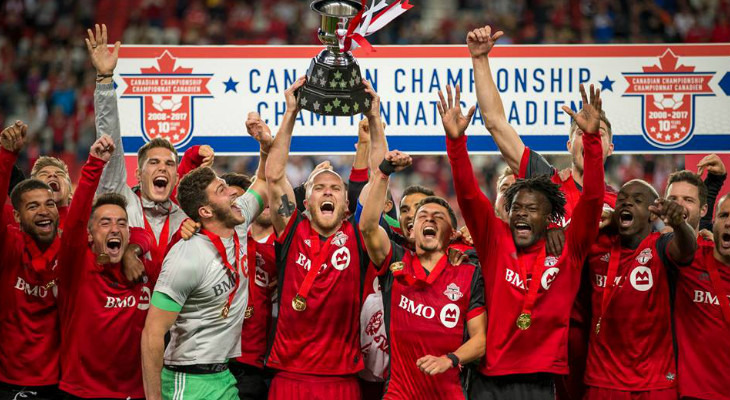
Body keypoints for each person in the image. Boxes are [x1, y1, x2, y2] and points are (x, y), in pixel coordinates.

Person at [467, 25, 619, 399]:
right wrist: (480, 59)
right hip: (547, 334)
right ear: (569, 142)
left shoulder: (625, 204)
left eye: (598, 135)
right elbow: (497, 126)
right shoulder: (546, 188)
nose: (589, 139)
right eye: (583, 133)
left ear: (610, 147)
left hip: (608, 335)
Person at [442, 82, 606, 399]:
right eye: (516, 207)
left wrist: (592, 140)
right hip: (487, 380)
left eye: (532, 209)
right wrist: (456, 143)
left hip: (540, 382)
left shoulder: (569, 248)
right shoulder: (495, 241)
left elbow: (593, 199)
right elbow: (468, 196)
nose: (520, 214)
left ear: (550, 218)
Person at [263, 77, 380, 399]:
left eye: (335, 188)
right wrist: (291, 112)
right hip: (288, 376)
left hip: (342, 380)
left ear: (346, 205)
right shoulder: (291, 230)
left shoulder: (359, 236)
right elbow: (273, 176)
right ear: (305, 202)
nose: (327, 191)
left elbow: (379, 177)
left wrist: (374, 117)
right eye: (319, 187)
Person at [141, 128, 269, 400]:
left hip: (223, 376)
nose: (233, 195)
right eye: (222, 190)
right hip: (188, 381)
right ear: (207, 211)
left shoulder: (240, 219)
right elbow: (153, 334)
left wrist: (270, 139)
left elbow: (267, 178)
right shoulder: (186, 255)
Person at [360, 148, 486, 399]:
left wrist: (450, 359)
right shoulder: (396, 260)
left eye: (438, 217)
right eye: (422, 217)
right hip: (399, 393)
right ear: (412, 231)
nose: (429, 219)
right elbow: (367, 226)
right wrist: (383, 172)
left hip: (449, 393)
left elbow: (481, 340)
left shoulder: (469, 273)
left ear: (452, 233)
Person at [87, 24, 211, 270]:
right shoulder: (122, 201)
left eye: (169, 164)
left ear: (177, 177)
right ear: (137, 174)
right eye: (153, 162)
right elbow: (110, 144)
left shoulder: (187, 218)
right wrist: (104, 81)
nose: (162, 168)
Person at [56, 135, 157, 399]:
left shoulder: (144, 269)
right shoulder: (77, 264)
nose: (115, 228)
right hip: (82, 393)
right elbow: (76, 219)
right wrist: (94, 165)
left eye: (121, 223)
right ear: (89, 235)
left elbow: (142, 234)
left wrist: (134, 249)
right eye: (105, 223)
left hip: (134, 394)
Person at [583, 179, 697, 399]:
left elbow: (688, 249)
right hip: (602, 381)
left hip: (654, 382)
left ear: (652, 214)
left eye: (637, 201)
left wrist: (680, 225)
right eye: (622, 200)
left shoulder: (662, 246)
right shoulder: (597, 245)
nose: (627, 204)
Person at [0, 121, 62, 400]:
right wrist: (6, 157)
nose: (43, 210)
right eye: (32, 205)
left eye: (49, 204)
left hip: (59, 380)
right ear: (16, 215)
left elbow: (119, 224)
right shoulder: (9, 242)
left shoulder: (74, 243)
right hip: (7, 379)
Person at [663, 161, 729, 400]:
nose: (678, 206)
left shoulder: (710, 246)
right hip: (676, 387)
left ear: (703, 209)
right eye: (673, 199)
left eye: (688, 200)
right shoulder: (653, 247)